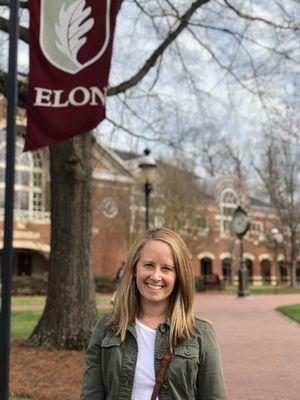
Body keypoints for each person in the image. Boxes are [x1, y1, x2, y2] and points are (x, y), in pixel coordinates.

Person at [81, 227, 227, 400]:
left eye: (166, 268)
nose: (156, 276)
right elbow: (91, 395)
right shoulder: (107, 327)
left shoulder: (199, 333)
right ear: (135, 270)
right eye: (149, 265)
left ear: (178, 276)